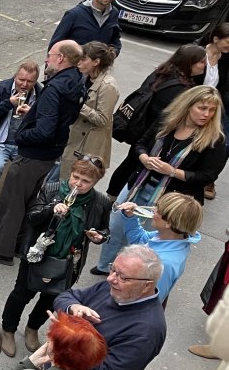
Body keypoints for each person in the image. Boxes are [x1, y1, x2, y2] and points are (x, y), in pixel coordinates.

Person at [0, 40, 87, 266]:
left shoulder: (54, 88)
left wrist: (23, 135)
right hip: (48, 155)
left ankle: (2, 250)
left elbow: (45, 130)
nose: (47, 59)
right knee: (28, 201)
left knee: (11, 203)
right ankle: (18, 245)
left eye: (51, 55)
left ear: (61, 58)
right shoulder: (77, 81)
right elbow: (67, 120)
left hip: (33, 154)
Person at [94, 86, 225, 274]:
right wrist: (145, 158)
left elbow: (207, 176)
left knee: (147, 241)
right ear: (188, 105)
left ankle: (128, 275)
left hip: (169, 199)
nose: (207, 114)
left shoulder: (215, 140)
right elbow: (140, 143)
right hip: (138, 184)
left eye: (212, 110)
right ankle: (106, 267)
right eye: (202, 108)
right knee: (116, 227)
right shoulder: (167, 121)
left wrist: (172, 171)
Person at [0, 158, 113, 357]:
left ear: (95, 183)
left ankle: (32, 328)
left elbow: (105, 230)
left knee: (51, 298)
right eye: (75, 177)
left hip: (69, 260)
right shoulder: (51, 189)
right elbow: (31, 217)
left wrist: (99, 236)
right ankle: (8, 330)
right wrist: (50, 209)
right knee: (21, 293)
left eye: (85, 181)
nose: (77, 184)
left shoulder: (100, 202)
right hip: (38, 252)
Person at [55, 245, 167, 370]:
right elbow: (66, 296)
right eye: (112, 269)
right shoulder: (116, 289)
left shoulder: (147, 331)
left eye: (122, 276)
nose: (111, 279)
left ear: (146, 286)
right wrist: (73, 308)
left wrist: (73, 335)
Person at [105, 45, 208, 198]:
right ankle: (117, 197)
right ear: (189, 63)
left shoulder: (162, 72)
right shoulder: (181, 89)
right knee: (136, 165)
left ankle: (112, 194)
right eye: (201, 62)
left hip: (139, 128)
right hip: (152, 134)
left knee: (130, 163)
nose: (205, 65)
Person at [0, 62, 41, 226]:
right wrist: (8, 103)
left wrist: (30, 115)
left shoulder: (42, 94)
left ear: (35, 81)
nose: (24, 85)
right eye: (21, 79)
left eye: (29, 82)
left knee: (28, 171)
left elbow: (45, 122)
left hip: (23, 144)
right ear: (15, 76)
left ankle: (14, 212)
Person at [118, 192, 202, 302]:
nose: (153, 211)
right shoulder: (168, 237)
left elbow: (150, 301)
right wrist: (131, 217)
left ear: (169, 223)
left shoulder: (164, 263)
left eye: (158, 210)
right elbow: (140, 239)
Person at [55, 41, 119, 183]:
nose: (79, 62)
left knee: (72, 183)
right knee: (59, 180)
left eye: (84, 59)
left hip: (87, 147)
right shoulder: (85, 77)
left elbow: (103, 119)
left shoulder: (108, 86)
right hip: (73, 139)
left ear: (96, 61)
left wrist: (78, 104)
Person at [195, 22, 229, 199]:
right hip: (193, 104)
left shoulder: (226, 58)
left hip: (215, 106)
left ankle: (208, 178)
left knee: (221, 143)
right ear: (216, 39)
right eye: (228, 42)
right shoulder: (198, 53)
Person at [48, 0, 122, 54]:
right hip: (76, 65)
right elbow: (55, 44)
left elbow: (115, 40)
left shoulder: (114, 13)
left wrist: (113, 53)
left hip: (99, 65)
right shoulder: (75, 14)